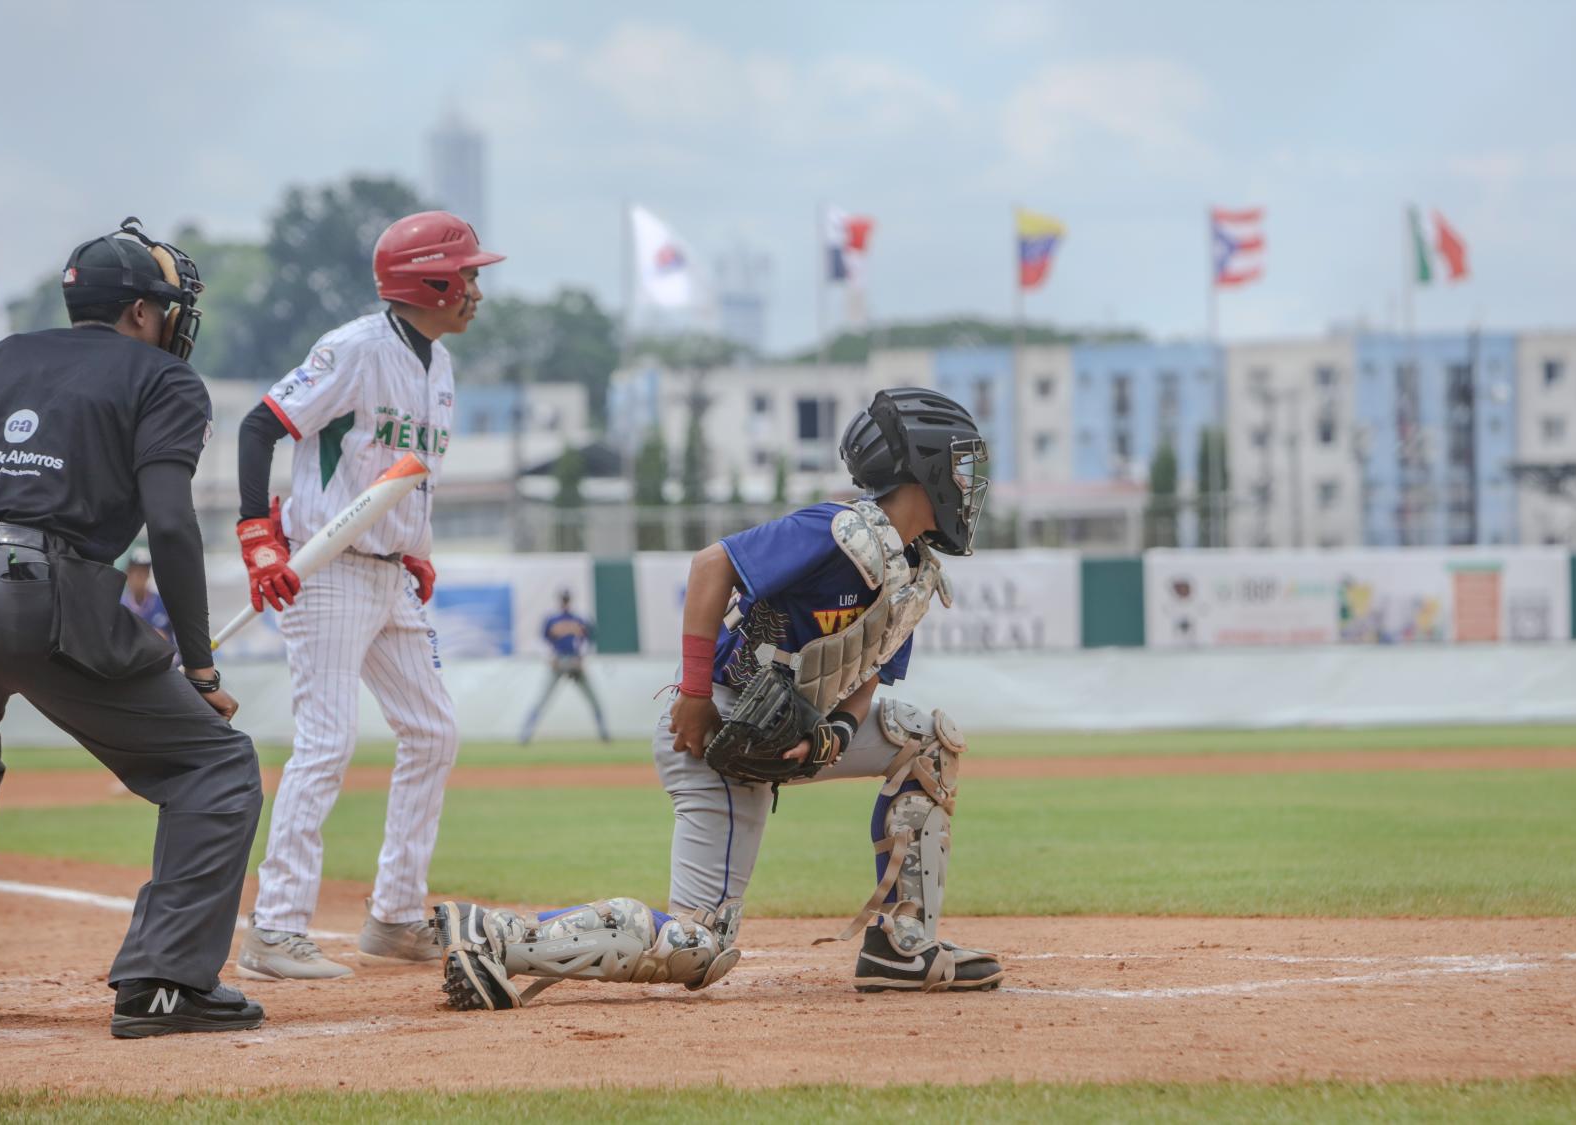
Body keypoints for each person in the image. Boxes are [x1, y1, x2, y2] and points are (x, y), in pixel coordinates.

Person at [427, 388, 1005, 1011]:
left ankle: (902, 944)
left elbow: (866, 673)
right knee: (699, 945)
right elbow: (711, 566)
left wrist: (837, 731)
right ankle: (494, 933)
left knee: (925, 741)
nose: (969, 482)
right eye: (958, 464)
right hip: (719, 731)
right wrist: (695, 693)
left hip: (787, 729)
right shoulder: (840, 531)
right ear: (923, 467)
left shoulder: (912, 572)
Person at [0, 218, 263, 1038]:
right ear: (143, 314)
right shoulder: (161, 379)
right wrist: (200, 669)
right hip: (35, 584)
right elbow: (173, 527)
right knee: (216, 768)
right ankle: (164, 983)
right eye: (170, 304)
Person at [231, 211, 500, 980]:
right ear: (431, 281)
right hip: (330, 569)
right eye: (469, 274)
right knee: (326, 741)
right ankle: (275, 931)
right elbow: (259, 426)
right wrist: (259, 536)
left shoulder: (438, 365)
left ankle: (394, 915)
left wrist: (418, 552)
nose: (477, 289)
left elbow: (403, 474)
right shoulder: (352, 349)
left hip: (390, 575)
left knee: (433, 731)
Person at [517, 590, 611, 744]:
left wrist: (582, 657)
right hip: (558, 661)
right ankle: (525, 735)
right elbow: (541, 641)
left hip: (575, 661)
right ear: (560, 601)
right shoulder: (551, 619)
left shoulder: (580, 618)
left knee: (593, 699)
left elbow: (588, 641)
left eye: (566, 599)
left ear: (569, 600)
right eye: (563, 599)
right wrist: (549, 657)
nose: (565, 602)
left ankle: (604, 733)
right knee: (541, 699)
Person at [120, 546, 176, 660]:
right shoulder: (120, 606)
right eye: (134, 571)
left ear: (148, 574)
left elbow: (166, 639)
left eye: (142, 572)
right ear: (127, 573)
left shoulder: (163, 603)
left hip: (165, 664)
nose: (138, 576)